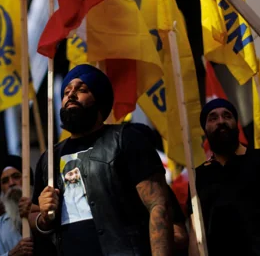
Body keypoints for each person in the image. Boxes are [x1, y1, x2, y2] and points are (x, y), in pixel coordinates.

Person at [29, 64, 177, 256]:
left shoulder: (126, 139)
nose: (71, 95)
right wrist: (43, 217)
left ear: (99, 101)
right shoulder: (49, 158)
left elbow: (158, 205)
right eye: (66, 92)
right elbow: (33, 217)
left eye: (82, 89)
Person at [187, 98, 260, 256]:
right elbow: (196, 231)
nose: (221, 121)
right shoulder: (199, 176)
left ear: (236, 124)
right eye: (213, 118)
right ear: (205, 129)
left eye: (227, 116)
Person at [0, 155, 34, 256]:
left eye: (16, 177)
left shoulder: (44, 214)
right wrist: (10, 255)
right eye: (5, 181)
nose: (11, 183)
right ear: (1, 190)